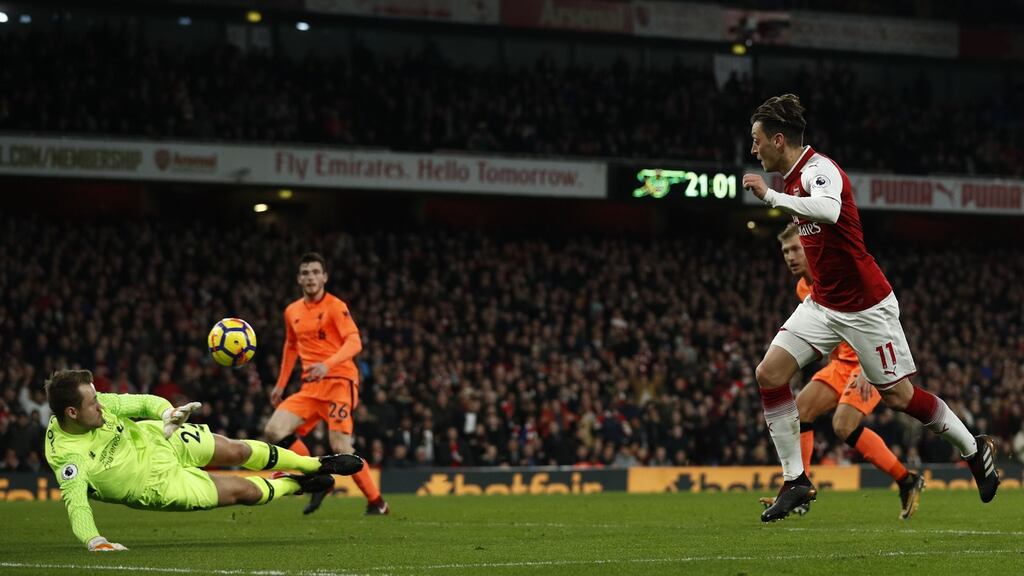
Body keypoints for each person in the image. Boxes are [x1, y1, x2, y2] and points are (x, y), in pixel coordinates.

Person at [743, 94, 999, 522]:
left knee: (899, 397)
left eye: (757, 140)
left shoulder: (819, 170)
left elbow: (828, 209)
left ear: (779, 139)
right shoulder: (790, 177)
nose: (753, 149)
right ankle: (796, 481)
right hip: (824, 302)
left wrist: (771, 198)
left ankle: (974, 450)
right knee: (769, 373)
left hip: (867, 307)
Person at [44, 369, 364, 551]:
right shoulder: (67, 456)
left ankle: (317, 463)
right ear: (72, 413)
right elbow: (76, 504)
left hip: (159, 437)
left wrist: (167, 413)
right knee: (244, 491)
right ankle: (294, 485)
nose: (101, 406)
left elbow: (140, 401)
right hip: (158, 485)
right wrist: (94, 540)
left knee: (237, 450)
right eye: (93, 404)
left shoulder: (97, 404)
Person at [759, 224, 924, 519]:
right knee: (802, 409)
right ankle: (799, 488)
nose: (790, 256)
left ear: (811, 248)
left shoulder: (837, 275)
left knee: (843, 425)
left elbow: (868, 317)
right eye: (785, 251)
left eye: (796, 248)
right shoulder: (803, 287)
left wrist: (865, 365)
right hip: (839, 365)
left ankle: (907, 479)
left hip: (866, 359)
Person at [265, 252, 387, 515]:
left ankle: (377, 502)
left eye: (315, 272)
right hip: (310, 388)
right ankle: (317, 478)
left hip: (339, 382)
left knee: (341, 447)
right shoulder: (292, 311)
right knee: (274, 430)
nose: (310, 277)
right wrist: (280, 384)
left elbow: (355, 342)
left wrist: (327, 365)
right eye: (305, 273)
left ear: (325, 277)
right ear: (299, 279)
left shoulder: (335, 306)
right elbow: (291, 347)